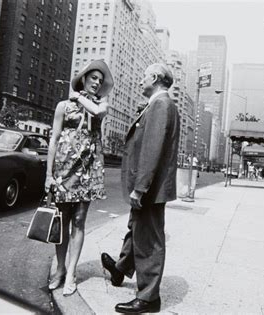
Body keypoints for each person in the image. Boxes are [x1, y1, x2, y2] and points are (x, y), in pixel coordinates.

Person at [101, 63, 179, 313]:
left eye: (143, 76)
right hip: (150, 187)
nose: (139, 80)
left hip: (150, 188)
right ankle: (121, 269)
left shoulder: (161, 105)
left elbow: (151, 150)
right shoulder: (158, 105)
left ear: (154, 78)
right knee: (137, 228)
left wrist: (140, 188)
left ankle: (148, 297)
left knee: (149, 240)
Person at [44, 60, 113, 296]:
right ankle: (60, 269)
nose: (97, 83)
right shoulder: (63, 106)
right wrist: (48, 174)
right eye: (93, 78)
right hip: (64, 168)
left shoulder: (100, 104)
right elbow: (53, 139)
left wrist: (78, 97)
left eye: (100, 81)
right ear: (83, 78)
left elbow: (97, 112)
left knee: (79, 221)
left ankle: (72, 273)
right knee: (61, 221)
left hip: (87, 169)